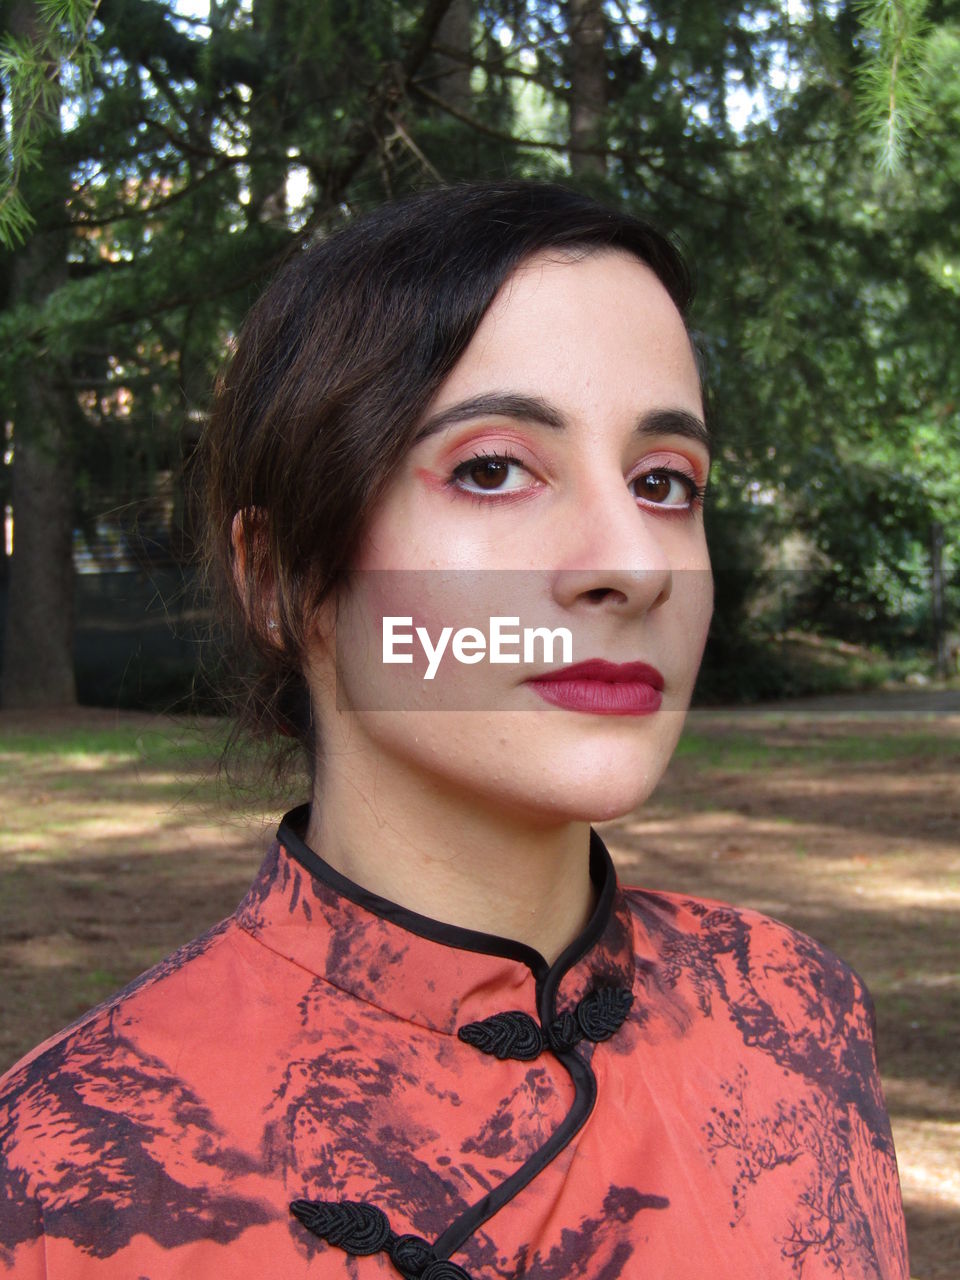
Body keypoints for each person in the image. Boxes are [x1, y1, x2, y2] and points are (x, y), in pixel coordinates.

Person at [0, 181, 909, 1279]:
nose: (629, 561)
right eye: (492, 469)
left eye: (666, 482)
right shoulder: (59, 1172)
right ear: (279, 577)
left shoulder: (797, 1013)